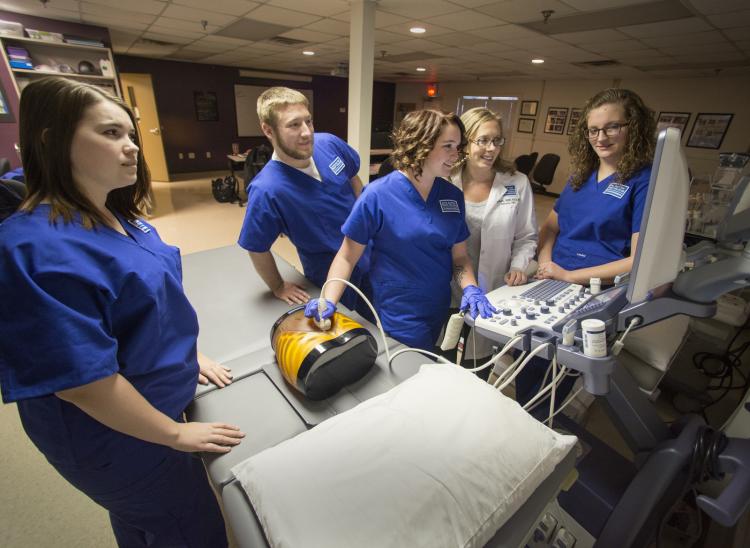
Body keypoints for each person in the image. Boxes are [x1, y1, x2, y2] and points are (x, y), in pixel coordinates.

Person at [0, 77, 243, 547]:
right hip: (113, 438)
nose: (132, 147)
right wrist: (174, 435)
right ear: (52, 140)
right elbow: (84, 386)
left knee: (142, 522)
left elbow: (149, 305)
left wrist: (190, 356)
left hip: (155, 402)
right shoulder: (34, 251)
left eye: (130, 135)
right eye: (111, 134)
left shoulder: (118, 214)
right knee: (190, 526)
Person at [305, 109, 496, 350]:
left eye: (458, 146)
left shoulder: (452, 196)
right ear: (421, 146)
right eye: (448, 146)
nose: (456, 155)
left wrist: (471, 288)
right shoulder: (377, 195)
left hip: (437, 306)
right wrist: (327, 300)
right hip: (396, 310)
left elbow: (459, 256)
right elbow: (346, 256)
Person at [518, 87, 657, 413]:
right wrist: (545, 259)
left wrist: (569, 274)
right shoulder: (581, 176)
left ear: (632, 127)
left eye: (612, 127)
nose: (601, 137)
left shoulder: (643, 180)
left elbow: (638, 259)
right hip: (551, 277)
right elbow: (550, 227)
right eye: (594, 129)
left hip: (595, 290)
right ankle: (525, 420)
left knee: (556, 366)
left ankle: (540, 424)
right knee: (525, 352)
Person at [238, 86, 368, 309]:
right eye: (294, 125)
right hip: (329, 272)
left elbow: (353, 179)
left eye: (308, 121)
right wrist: (278, 286)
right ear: (269, 130)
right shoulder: (267, 189)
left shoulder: (328, 143)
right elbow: (256, 245)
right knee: (356, 328)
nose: (307, 132)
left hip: (370, 250)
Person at [449, 107, 537, 365]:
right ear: (465, 143)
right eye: (483, 140)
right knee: (441, 358)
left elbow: (526, 236)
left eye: (497, 140)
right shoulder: (445, 178)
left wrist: (519, 266)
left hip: (491, 289)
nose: (491, 149)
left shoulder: (517, 182)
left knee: (477, 363)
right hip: (446, 286)